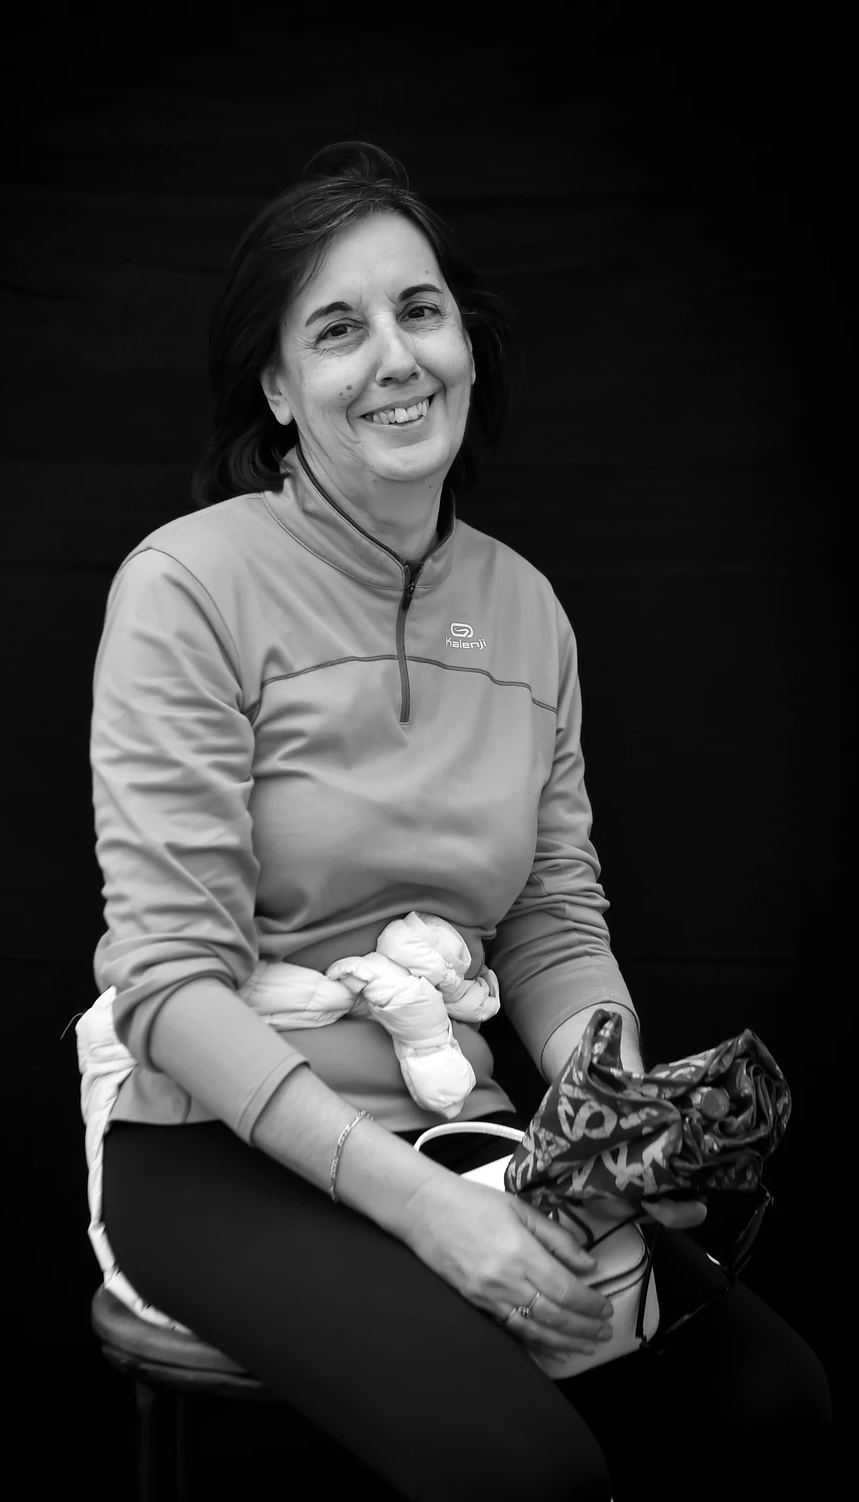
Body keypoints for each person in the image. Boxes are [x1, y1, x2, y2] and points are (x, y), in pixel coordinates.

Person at [89, 142, 831, 1501]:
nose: (396, 356)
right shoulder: (185, 586)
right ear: (278, 389)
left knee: (770, 1402)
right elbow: (169, 982)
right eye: (337, 328)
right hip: (214, 1154)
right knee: (521, 1472)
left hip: (465, 1129)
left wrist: (616, 1130)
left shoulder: (528, 609)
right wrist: (429, 1214)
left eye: (420, 310)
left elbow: (551, 917)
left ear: (465, 346)